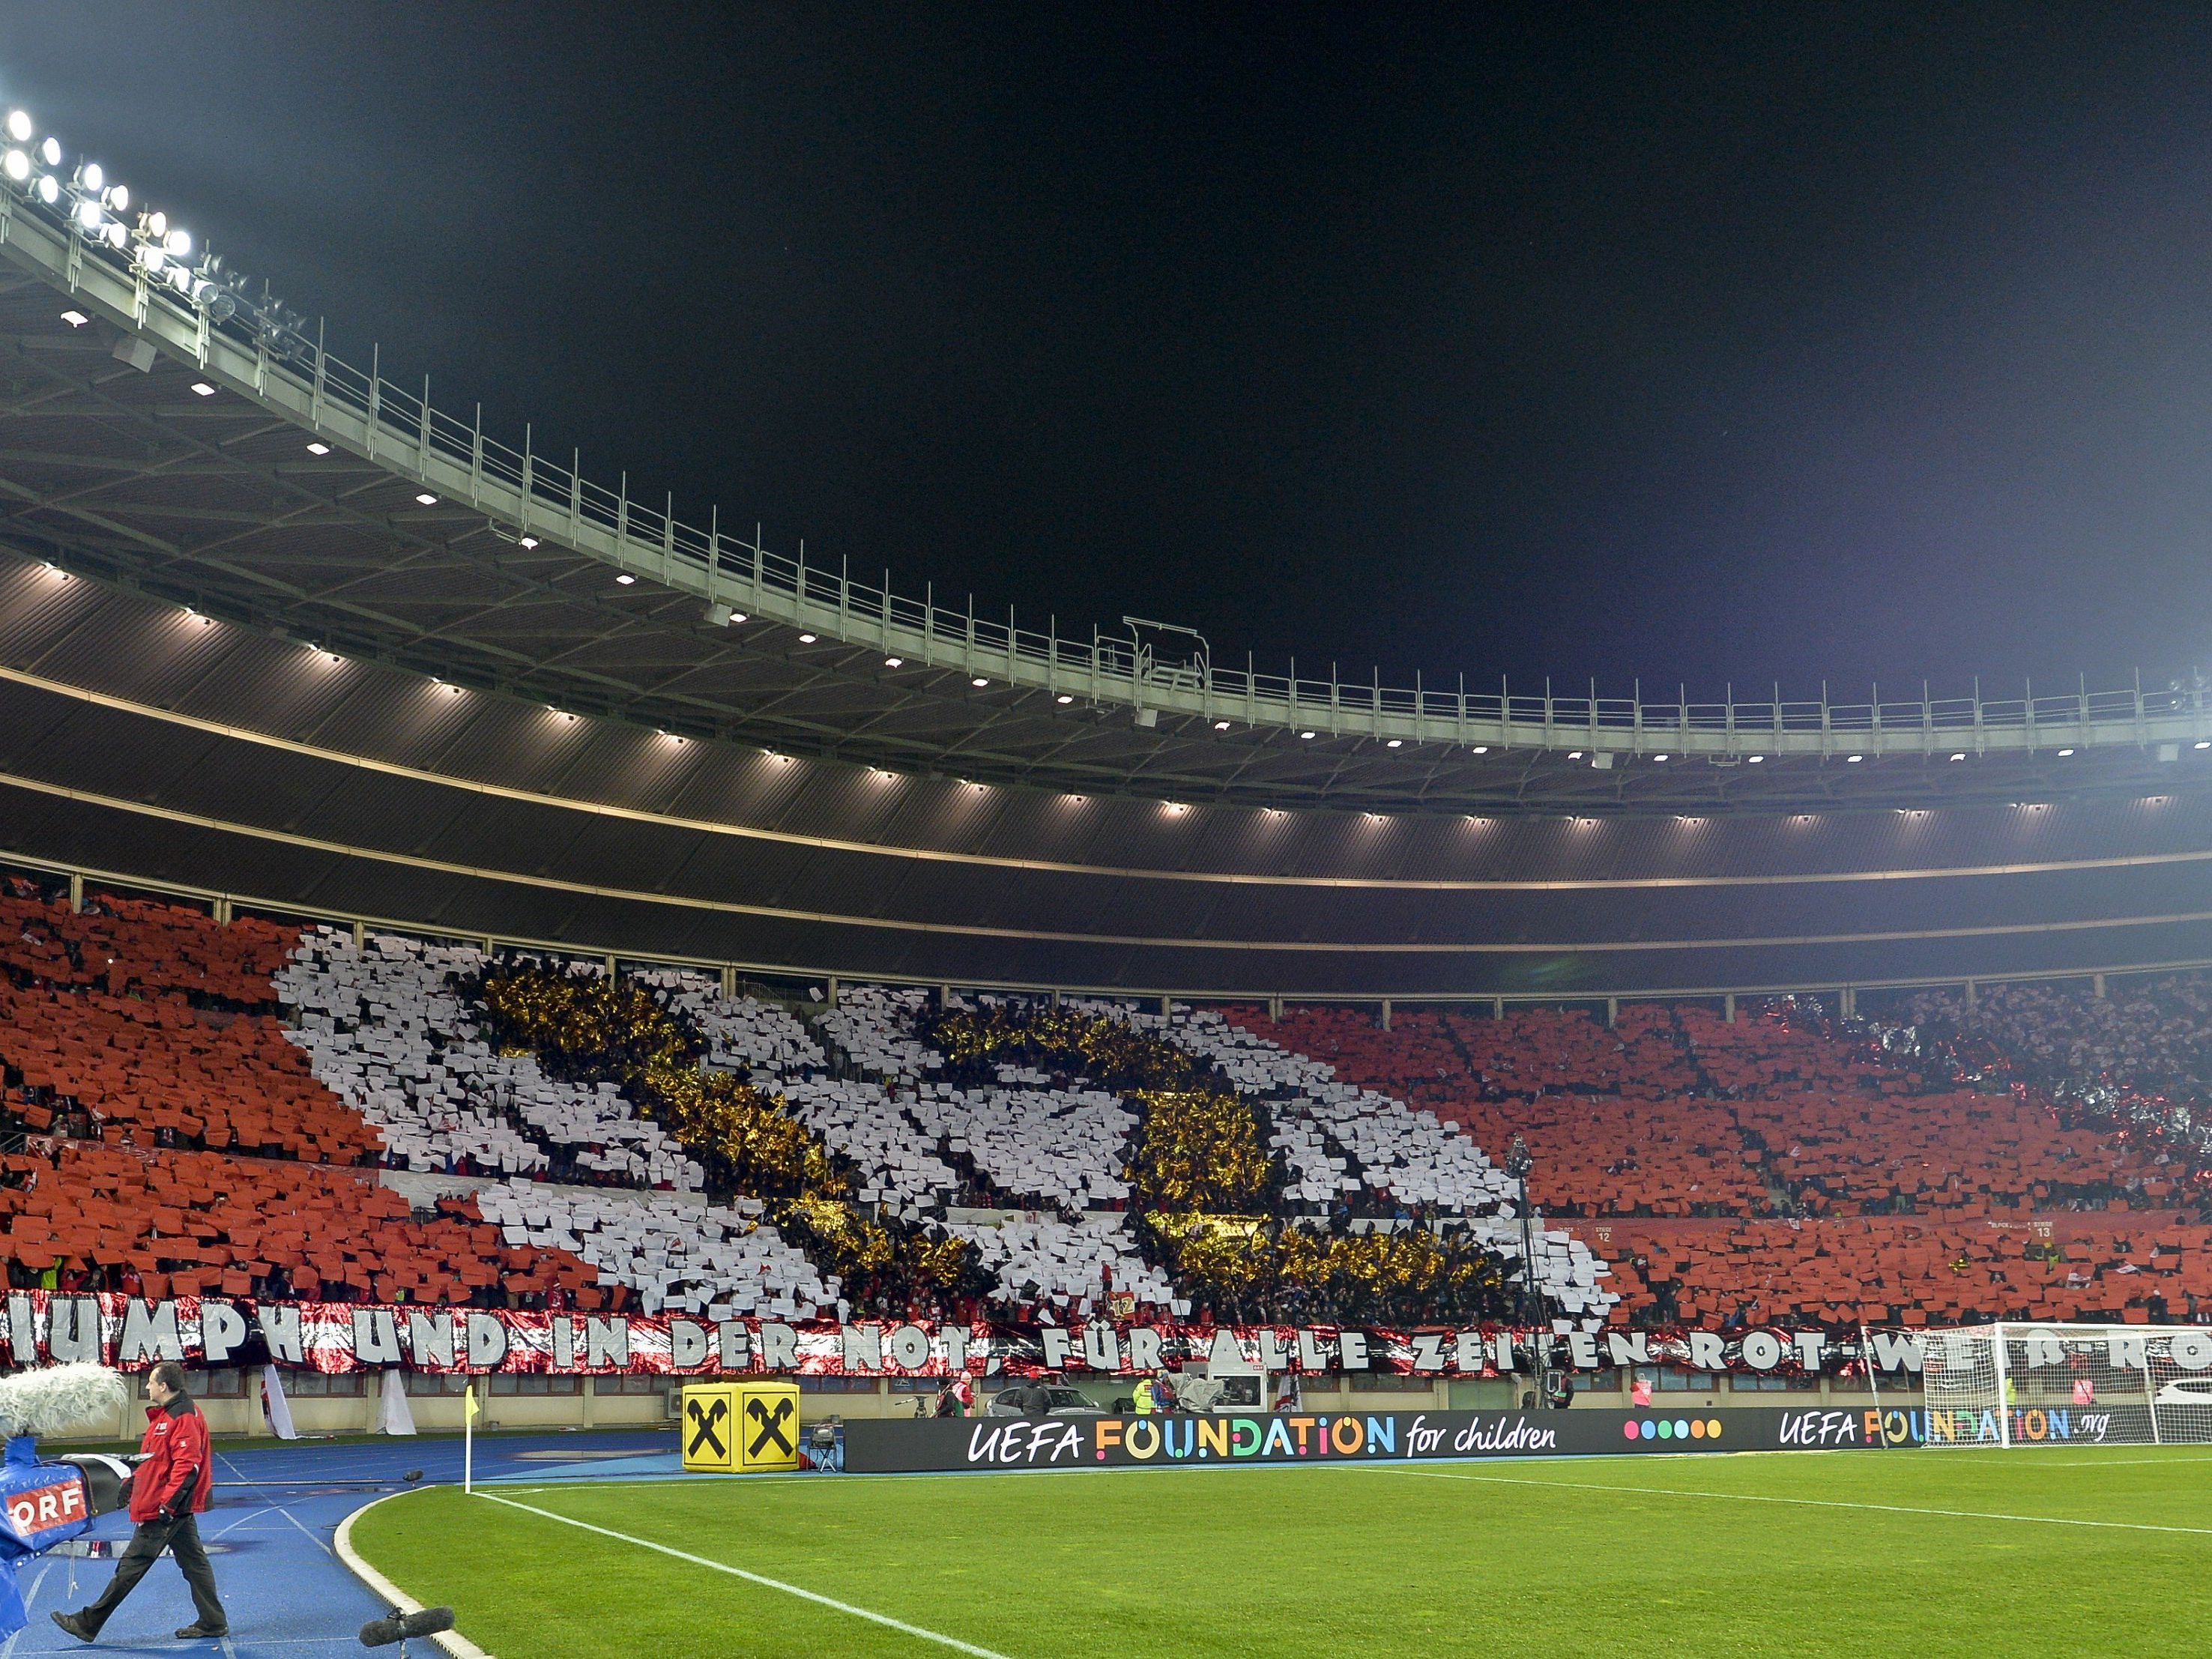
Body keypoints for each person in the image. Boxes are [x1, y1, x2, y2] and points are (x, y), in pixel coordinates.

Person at [51, 1362, 227, 1644]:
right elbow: (154, 1462)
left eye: (150, 1382)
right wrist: (131, 1484)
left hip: (164, 1510)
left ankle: (88, 1623)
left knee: (131, 1566)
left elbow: (187, 1467)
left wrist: (166, 1506)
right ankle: (213, 1621)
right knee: (195, 1564)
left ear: (164, 1386)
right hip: (169, 1507)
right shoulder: (166, 1417)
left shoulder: (182, 1417)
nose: (147, 1387)